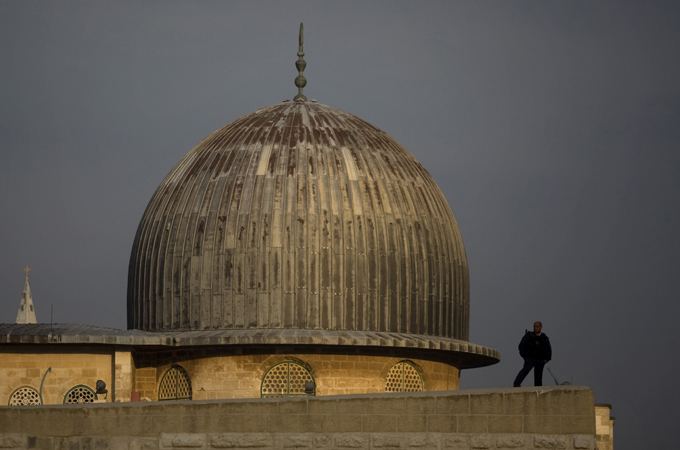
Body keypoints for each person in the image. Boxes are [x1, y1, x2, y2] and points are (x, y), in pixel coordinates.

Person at [513, 321, 552, 387]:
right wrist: (524, 356)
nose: (535, 328)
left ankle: (538, 389)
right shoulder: (529, 336)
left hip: (540, 360)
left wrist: (546, 359)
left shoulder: (544, 338)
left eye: (537, 326)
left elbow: (548, 349)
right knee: (525, 370)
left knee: (538, 376)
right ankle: (516, 384)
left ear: (541, 327)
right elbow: (521, 346)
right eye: (534, 326)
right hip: (530, 358)